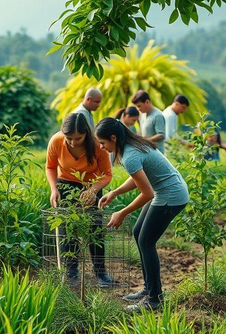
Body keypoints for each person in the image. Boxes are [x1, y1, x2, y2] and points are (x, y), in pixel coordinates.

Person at [95, 117, 188, 311]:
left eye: (103, 143)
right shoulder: (133, 145)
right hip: (167, 190)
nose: (102, 148)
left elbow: (147, 193)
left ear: (113, 138)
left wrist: (122, 212)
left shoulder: (130, 155)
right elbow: (138, 178)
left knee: (146, 241)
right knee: (139, 233)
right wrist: (114, 193)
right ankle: (149, 289)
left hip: (170, 195)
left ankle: (154, 299)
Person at [46, 113, 115, 288]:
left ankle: (101, 274)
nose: (73, 142)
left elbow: (107, 175)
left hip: (91, 187)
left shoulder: (97, 146)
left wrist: (93, 190)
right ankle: (71, 273)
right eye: (69, 138)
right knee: (68, 230)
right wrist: (54, 189)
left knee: (95, 230)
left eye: (78, 138)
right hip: (66, 187)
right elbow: (51, 166)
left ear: (86, 133)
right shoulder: (56, 141)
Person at [132, 90, 166, 154]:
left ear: (147, 102)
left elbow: (161, 135)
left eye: (139, 106)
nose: (138, 109)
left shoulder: (158, 115)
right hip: (147, 152)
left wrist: (145, 141)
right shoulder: (142, 115)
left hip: (157, 154)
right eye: (136, 107)